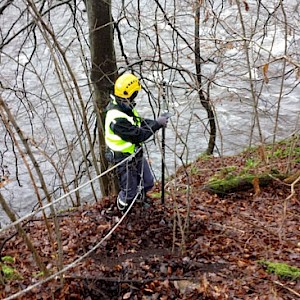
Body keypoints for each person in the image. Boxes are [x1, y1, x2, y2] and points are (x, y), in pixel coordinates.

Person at [104, 73, 168, 212]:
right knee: (128, 192)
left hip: (135, 154)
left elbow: (138, 123)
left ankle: (138, 201)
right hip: (123, 159)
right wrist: (157, 124)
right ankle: (122, 210)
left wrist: (157, 121)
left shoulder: (126, 108)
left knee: (148, 182)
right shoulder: (117, 118)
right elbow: (137, 135)